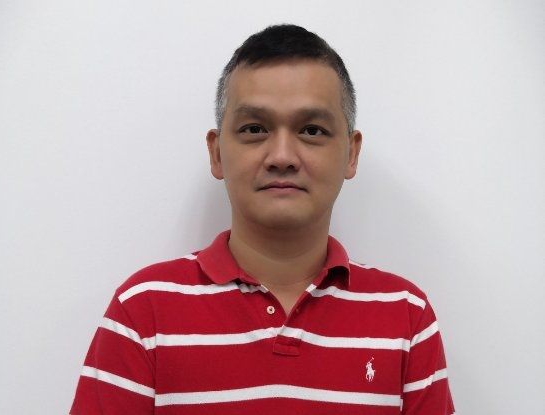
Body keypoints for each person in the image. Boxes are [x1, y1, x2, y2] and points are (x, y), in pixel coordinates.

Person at [70, 24, 456, 414]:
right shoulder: (142, 314)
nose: (282, 156)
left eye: (312, 130)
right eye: (254, 129)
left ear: (351, 154)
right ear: (217, 153)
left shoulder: (406, 318)